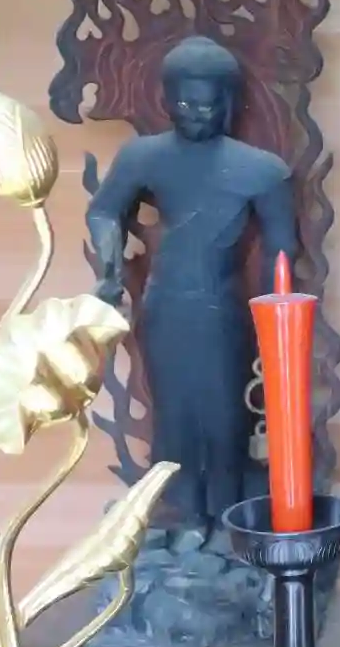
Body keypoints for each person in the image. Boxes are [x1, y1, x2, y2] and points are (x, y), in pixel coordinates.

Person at [87, 34, 295, 539]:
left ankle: (226, 516)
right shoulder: (145, 157)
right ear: (165, 99)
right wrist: (109, 269)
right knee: (174, 414)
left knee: (224, 414)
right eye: (183, 104)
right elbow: (104, 210)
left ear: (229, 102)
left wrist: (277, 315)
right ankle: (183, 517)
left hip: (222, 306)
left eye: (207, 105)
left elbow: (282, 247)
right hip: (164, 303)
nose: (196, 116)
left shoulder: (260, 170)